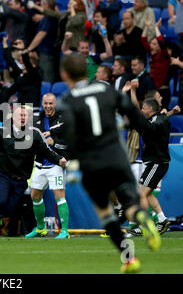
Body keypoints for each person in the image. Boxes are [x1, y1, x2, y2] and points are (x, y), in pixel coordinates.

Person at [58, 53, 161, 273]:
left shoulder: (67, 100)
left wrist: (75, 163)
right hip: (116, 155)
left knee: (105, 212)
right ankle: (141, 216)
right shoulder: (106, 89)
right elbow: (132, 113)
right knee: (129, 200)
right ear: (88, 72)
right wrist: (139, 129)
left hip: (91, 163)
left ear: (64, 74)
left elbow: (70, 133)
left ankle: (129, 259)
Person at [0, 105, 67, 243]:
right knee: (0, 201)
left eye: (25, 116)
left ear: (29, 118)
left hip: (21, 180)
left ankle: (24, 227)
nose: (22, 118)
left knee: (11, 208)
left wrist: (59, 159)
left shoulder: (35, 133)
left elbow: (45, 152)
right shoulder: (2, 131)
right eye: (20, 115)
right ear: (13, 117)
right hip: (4, 175)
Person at [26, 93, 70, 239]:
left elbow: (69, 142)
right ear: (42, 103)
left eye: (51, 103)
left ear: (55, 104)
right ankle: (40, 228)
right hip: (40, 164)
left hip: (57, 164)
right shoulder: (36, 120)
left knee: (59, 197)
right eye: (45, 103)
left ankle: (64, 231)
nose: (48, 106)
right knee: (35, 196)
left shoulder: (62, 119)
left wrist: (54, 143)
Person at [128, 98, 172, 236]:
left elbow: (151, 126)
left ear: (150, 109)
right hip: (154, 163)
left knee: (142, 194)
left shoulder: (156, 122)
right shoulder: (159, 119)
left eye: (143, 108)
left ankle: (144, 226)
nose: (142, 110)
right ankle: (162, 220)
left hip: (156, 163)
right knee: (146, 194)